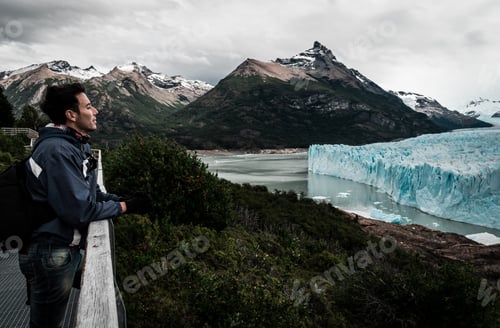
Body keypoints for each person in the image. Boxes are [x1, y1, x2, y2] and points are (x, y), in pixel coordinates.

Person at [18, 82, 150, 328]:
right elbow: (81, 210)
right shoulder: (57, 151)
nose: (96, 111)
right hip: (50, 253)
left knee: (108, 291)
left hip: (60, 251)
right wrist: (125, 208)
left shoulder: (71, 145)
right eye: (89, 106)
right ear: (71, 115)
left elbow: (89, 194)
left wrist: (121, 199)